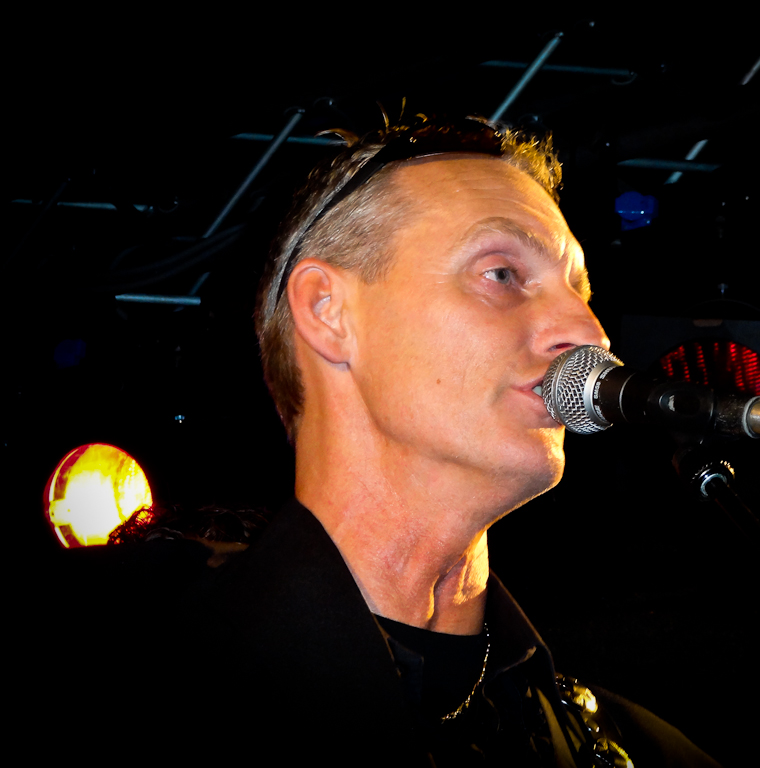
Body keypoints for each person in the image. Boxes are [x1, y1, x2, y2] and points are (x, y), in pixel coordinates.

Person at [183, 116, 719, 766]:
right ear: (329, 311)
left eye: (580, 290)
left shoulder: (643, 751)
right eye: (502, 274)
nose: (589, 331)